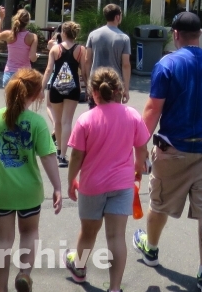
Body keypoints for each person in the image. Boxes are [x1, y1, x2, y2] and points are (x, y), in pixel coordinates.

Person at [133, 11, 202, 292]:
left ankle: (151, 249)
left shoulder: (167, 64)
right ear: (199, 34)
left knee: (159, 202)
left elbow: (152, 111)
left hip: (172, 149)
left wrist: (138, 149)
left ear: (175, 34)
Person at [0, 67, 62, 292]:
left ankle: (1, 289)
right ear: (36, 95)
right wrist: (57, 187)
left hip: (1, 192)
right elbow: (48, 157)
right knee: (29, 233)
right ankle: (24, 274)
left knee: (2, 241)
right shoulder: (37, 122)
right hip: (29, 192)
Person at [64, 67, 149, 292]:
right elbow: (141, 150)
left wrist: (71, 180)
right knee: (116, 237)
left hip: (92, 186)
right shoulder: (132, 115)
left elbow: (76, 156)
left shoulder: (85, 120)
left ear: (93, 92)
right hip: (122, 185)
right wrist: (137, 169)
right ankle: (114, 288)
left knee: (88, 232)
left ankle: (79, 269)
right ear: (118, 90)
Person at [41, 21, 84, 166]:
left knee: (58, 121)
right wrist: (89, 86)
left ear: (63, 33)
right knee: (67, 121)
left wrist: (41, 88)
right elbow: (83, 71)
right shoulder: (80, 50)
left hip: (56, 88)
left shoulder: (55, 49)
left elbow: (48, 70)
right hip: (73, 88)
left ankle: (59, 150)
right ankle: (64, 155)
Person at [82, 3, 131, 106]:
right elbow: (126, 65)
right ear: (117, 17)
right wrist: (126, 88)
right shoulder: (124, 38)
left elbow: (87, 60)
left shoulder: (93, 35)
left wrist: (88, 83)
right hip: (115, 84)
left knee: (95, 116)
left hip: (96, 82)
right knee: (113, 117)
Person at [0, 6, 38, 87]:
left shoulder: (9, 34)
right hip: (25, 74)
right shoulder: (32, 37)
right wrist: (36, 56)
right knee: (24, 99)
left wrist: (1, 18)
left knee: (10, 99)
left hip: (9, 74)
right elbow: (32, 58)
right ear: (28, 22)